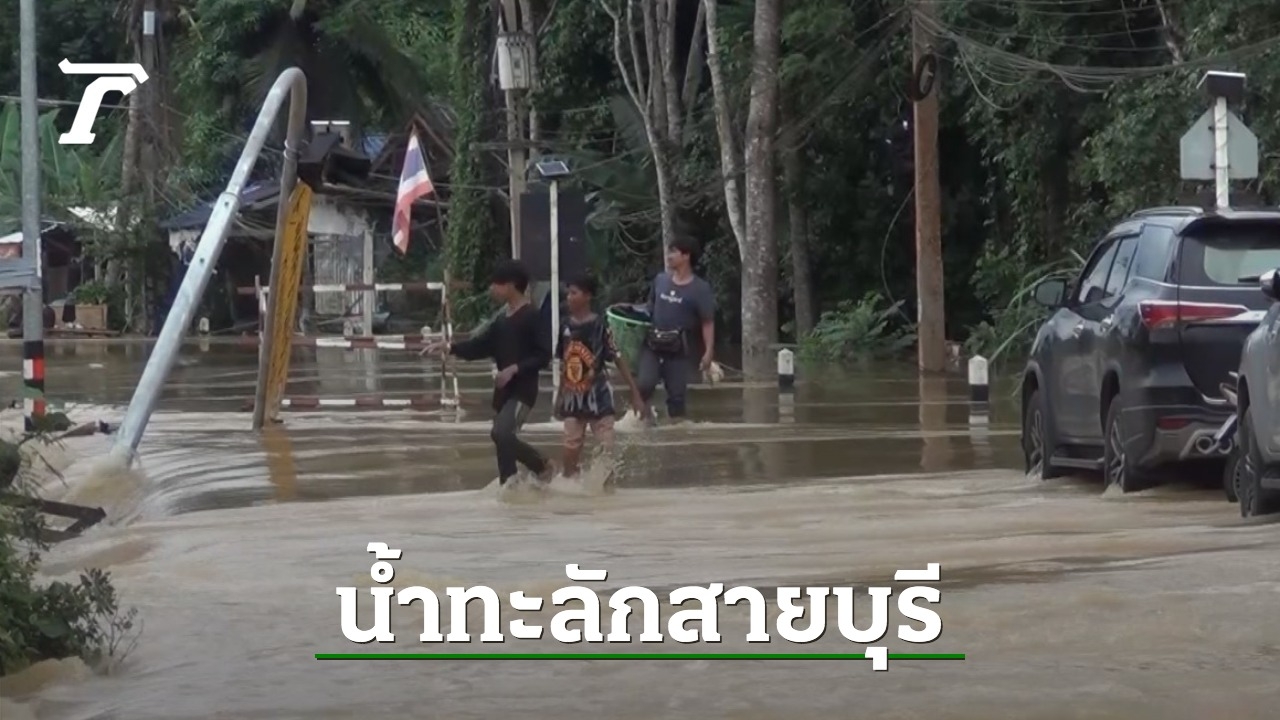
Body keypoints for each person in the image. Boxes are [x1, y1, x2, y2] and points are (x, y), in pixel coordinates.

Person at [423, 259, 554, 485]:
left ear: (511, 285)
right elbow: (480, 346)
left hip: (522, 392)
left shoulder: (533, 316)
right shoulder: (501, 320)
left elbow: (544, 356)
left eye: (496, 284)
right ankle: (510, 486)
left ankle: (540, 466)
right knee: (501, 436)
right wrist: (449, 347)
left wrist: (515, 369)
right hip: (503, 392)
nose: (492, 289)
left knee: (502, 433)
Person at [554, 274, 645, 477]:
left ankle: (606, 490)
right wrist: (559, 395)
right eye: (568, 293)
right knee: (571, 447)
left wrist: (635, 393)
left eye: (573, 293)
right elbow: (565, 363)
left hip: (599, 395)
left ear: (587, 296)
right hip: (572, 397)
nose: (568, 297)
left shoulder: (600, 326)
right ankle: (570, 485)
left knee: (607, 446)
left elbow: (618, 358)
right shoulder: (565, 326)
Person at [637, 237, 716, 422]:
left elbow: (707, 322)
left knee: (677, 399)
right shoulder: (660, 280)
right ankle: (645, 422)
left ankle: (675, 438)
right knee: (644, 385)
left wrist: (709, 352)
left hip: (679, 349)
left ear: (686, 256)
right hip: (653, 344)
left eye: (674, 252)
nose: (669, 256)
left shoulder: (700, 289)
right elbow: (649, 308)